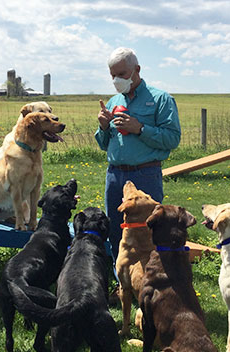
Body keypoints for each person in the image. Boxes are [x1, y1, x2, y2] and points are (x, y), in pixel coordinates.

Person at [95, 47, 181, 260]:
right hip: (115, 175)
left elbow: (172, 138)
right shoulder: (114, 102)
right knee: (116, 230)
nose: (117, 80)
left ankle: (150, 282)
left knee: (148, 229)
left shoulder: (160, 99)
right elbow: (105, 145)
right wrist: (103, 128)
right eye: (112, 76)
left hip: (145, 175)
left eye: (122, 74)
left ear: (137, 70)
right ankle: (121, 281)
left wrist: (140, 128)